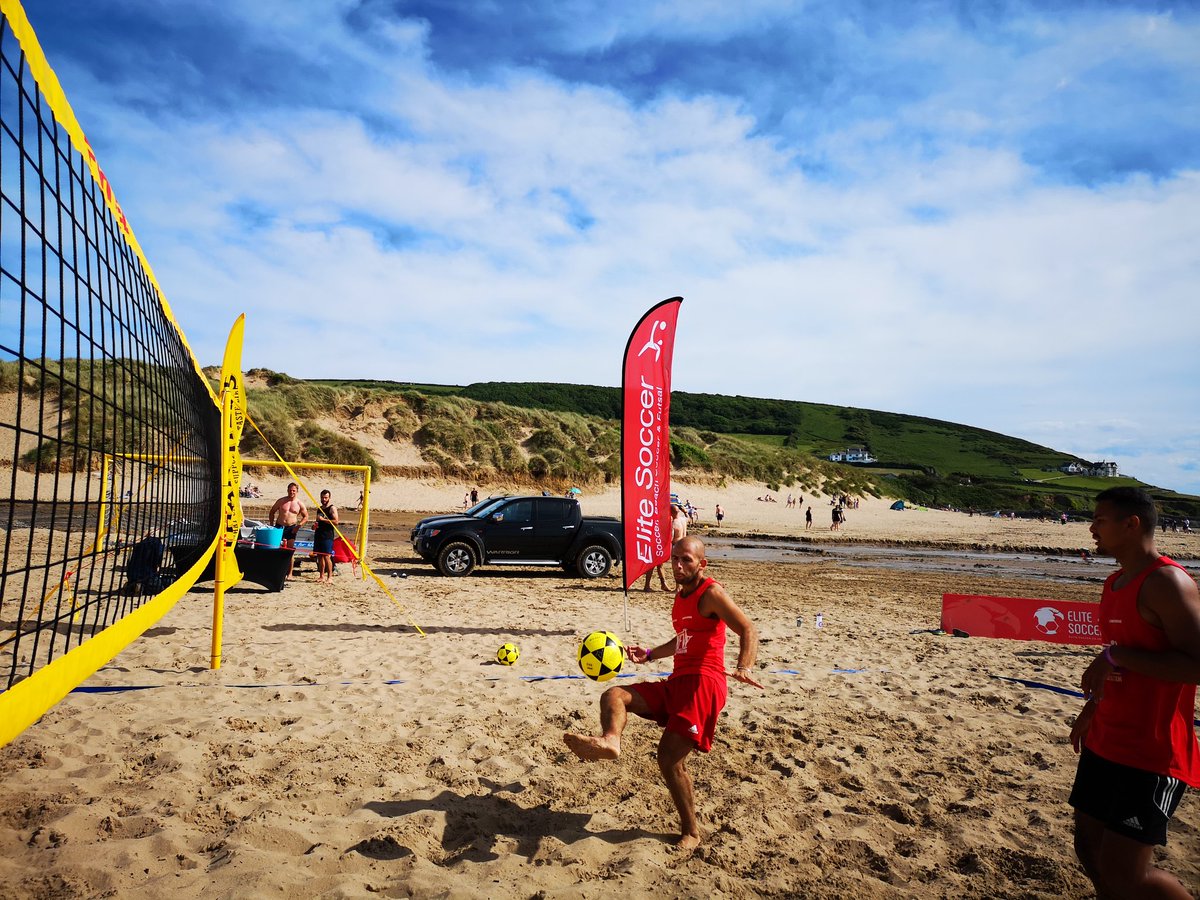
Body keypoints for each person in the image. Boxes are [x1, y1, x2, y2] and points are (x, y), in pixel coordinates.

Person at [564, 535, 763, 849]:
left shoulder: (711, 593)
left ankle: (691, 833)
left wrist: (745, 666)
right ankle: (610, 741)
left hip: (704, 684)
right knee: (614, 695)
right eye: (675, 559)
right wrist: (649, 654)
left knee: (669, 759)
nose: (678, 565)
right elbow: (683, 638)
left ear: (702, 563)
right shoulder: (681, 595)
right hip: (678, 680)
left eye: (686, 560)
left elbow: (748, 628)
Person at [1068, 487, 1200, 898]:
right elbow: (1118, 665)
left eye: (1099, 520)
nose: (1091, 529)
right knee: (1089, 851)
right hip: (1106, 739)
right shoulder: (1114, 583)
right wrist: (1092, 708)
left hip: (1152, 751)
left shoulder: (1166, 582)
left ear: (1131, 524)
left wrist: (1116, 656)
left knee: (1127, 874)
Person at [642, 504, 687, 592]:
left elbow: (670, 538)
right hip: (681, 545)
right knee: (664, 565)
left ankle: (649, 585)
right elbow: (687, 520)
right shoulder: (683, 520)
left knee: (659, 564)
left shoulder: (672, 523)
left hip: (673, 546)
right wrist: (685, 511)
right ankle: (665, 584)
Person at [269, 482, 308, 579]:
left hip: (291, 528)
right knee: (277, 549)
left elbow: (306, 516)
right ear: (287, 490)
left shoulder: (299, 503)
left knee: (290, 552)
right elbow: (272, 511)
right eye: (290, 490)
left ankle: (290, 573)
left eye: (294, 490)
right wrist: (271, 525)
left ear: (297, 491)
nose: (292, 492)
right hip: (279, 527)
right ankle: (276, 571)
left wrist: (299, 526)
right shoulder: (281, 501)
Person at [312, 490, 339, 583]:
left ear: (329, 498)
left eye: (326, 498)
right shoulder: (319, 509)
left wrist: (323, 520)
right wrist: (314, 526)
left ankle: (330, 577)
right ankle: (321, 576)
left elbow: (336, 522)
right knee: (320, 556)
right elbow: (317, 521)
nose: (324, 499)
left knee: (327, 556)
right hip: (319, 534)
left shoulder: (332, 508)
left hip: (327, 535)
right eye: (322, 497)